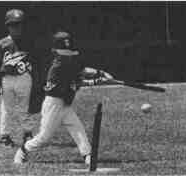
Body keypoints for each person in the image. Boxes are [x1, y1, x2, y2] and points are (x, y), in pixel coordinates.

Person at [13, 31, 114, 164]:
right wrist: (96, 81)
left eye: (69, 53)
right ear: (55, 52)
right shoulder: (57, 69)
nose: (68, 57)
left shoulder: (69, 62)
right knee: (44, 137)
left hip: (65, 104)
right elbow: (75, 82)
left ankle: (87, 154)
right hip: (54, 104)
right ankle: (23, 150)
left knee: (77, 128)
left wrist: (101, 73)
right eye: (64, 54)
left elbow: (82, 70)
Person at [0, 9, 40, 147]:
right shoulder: (2, 43)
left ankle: (27, 133)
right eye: (13, 25)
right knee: (6, 108)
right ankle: (4, 136)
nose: (17, 28)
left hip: (24, 78)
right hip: (7, 79)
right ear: (8, 26)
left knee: (25, 107)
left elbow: (36, 61)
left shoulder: (29, 42)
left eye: (20, 24)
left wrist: (33, 75)